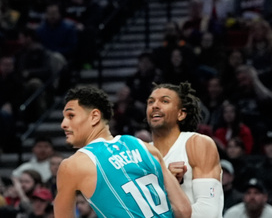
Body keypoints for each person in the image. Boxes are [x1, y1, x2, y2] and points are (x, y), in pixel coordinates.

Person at [54, 85, 191, 218]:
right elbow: (183, 211)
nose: (63, 124)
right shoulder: (145, 147)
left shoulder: (72, 166)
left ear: (95, 116)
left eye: (71, 116)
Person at [146, 83, 223, 218]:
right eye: (150, 102)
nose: (155, 105)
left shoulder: (196, 143)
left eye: (165, 101)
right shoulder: (140, 153)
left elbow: (209, 212)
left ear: (181, 114)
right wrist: (166, 182)